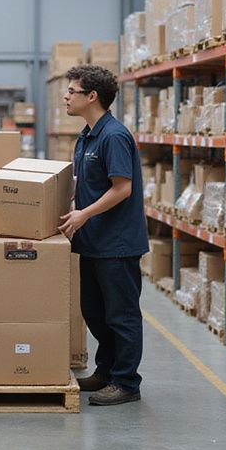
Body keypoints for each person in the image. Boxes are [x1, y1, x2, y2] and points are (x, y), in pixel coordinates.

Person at [59, 64, 148, 407]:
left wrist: (83, 213)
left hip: (117, 243)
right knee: (94, 312)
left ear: (91, 96)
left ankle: (126, 382)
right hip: (94, 241)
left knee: (121, 315)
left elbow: (122, 188)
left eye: (72, 91)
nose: (66, 96)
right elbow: (89, 183)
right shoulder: (87, 134)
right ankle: (106, 370)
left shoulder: (113, 135)